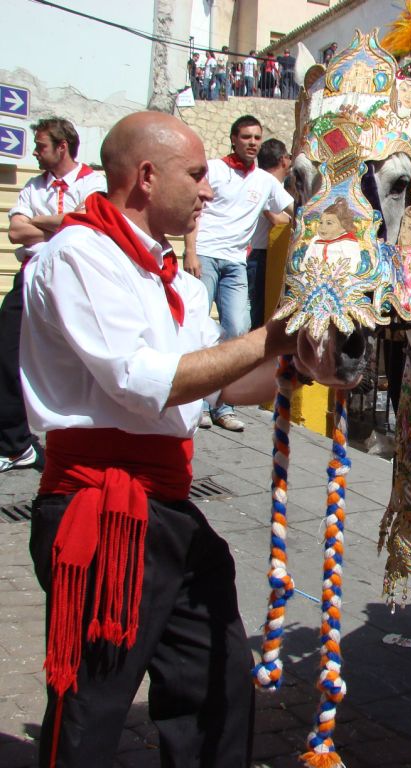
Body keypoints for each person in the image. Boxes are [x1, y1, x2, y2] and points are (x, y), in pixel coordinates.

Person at [19, 111, 299, 768]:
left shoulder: (179, 281)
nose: (209, 191)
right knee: (92, 702)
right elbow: (144, 382)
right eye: (198, 175)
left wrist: (300, 361)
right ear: (146, 177)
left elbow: (225, 385)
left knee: (217, 674)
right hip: (101, 511)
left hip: (166, 508)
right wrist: (269, 336)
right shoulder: (78, 257)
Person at [2, 118, 105, 473]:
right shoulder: (34, 185)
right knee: (7, 353)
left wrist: (45, 220)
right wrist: (60, 220)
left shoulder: (95, 182)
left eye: (42, 146)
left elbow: (89, 223)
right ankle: (16, 444)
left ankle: (82, 440)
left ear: (62, 147)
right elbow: (16, 231)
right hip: (31, 274)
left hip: (71, 278)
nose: (35, 151)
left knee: (79, 358)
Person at [183, 114, 293, 431]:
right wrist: (190, 251)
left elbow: (295, 210)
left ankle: (224, 405)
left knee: (238, 330)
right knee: (197, 329)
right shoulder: (214, 170)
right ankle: (198, 403)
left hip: (236, 262)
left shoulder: (265, 181)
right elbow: (194, 209)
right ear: (234, 138)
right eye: (246, 137)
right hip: (204, 255)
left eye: (257, 137)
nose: (252, 143)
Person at [247, 138, 292, 329]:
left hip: (274, 256)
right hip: (261, 257)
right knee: (258, 318)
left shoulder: (277, 186)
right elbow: (277, 218)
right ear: (283, 160)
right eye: (289, 157)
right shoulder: (263, 183)